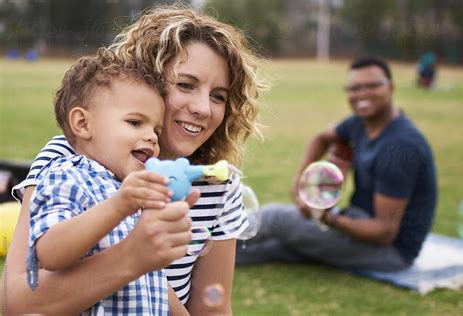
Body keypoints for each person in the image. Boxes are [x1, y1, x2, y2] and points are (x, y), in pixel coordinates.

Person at [5, 4, 266, 315]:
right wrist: (134, 256)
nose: (203, 108)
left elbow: (213, 307)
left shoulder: (217, 183)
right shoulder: (72, 159)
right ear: (147, 83)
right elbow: (14, 304)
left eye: (218, 96)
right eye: (186, 85)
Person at [236, 57, 437, 272]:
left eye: (372, 86)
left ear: (391, 87)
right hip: (355, 221)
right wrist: (299, 182)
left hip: (390, 253)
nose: (362, 94)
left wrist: (325, 217)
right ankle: (207, 258)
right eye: (354, 88)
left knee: (276, 218)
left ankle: (209, 243)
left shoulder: (400, 148)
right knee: (277, 247)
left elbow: (384, 232)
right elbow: (320, 139)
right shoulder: (360, 123)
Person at [25, 48, 181, 314]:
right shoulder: (67, 175)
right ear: (83, 124)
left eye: (156, 129)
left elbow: (151, 280)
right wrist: (120, 205)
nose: (153, 138)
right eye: (135, 122)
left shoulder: (130, 188)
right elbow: (49, 252)